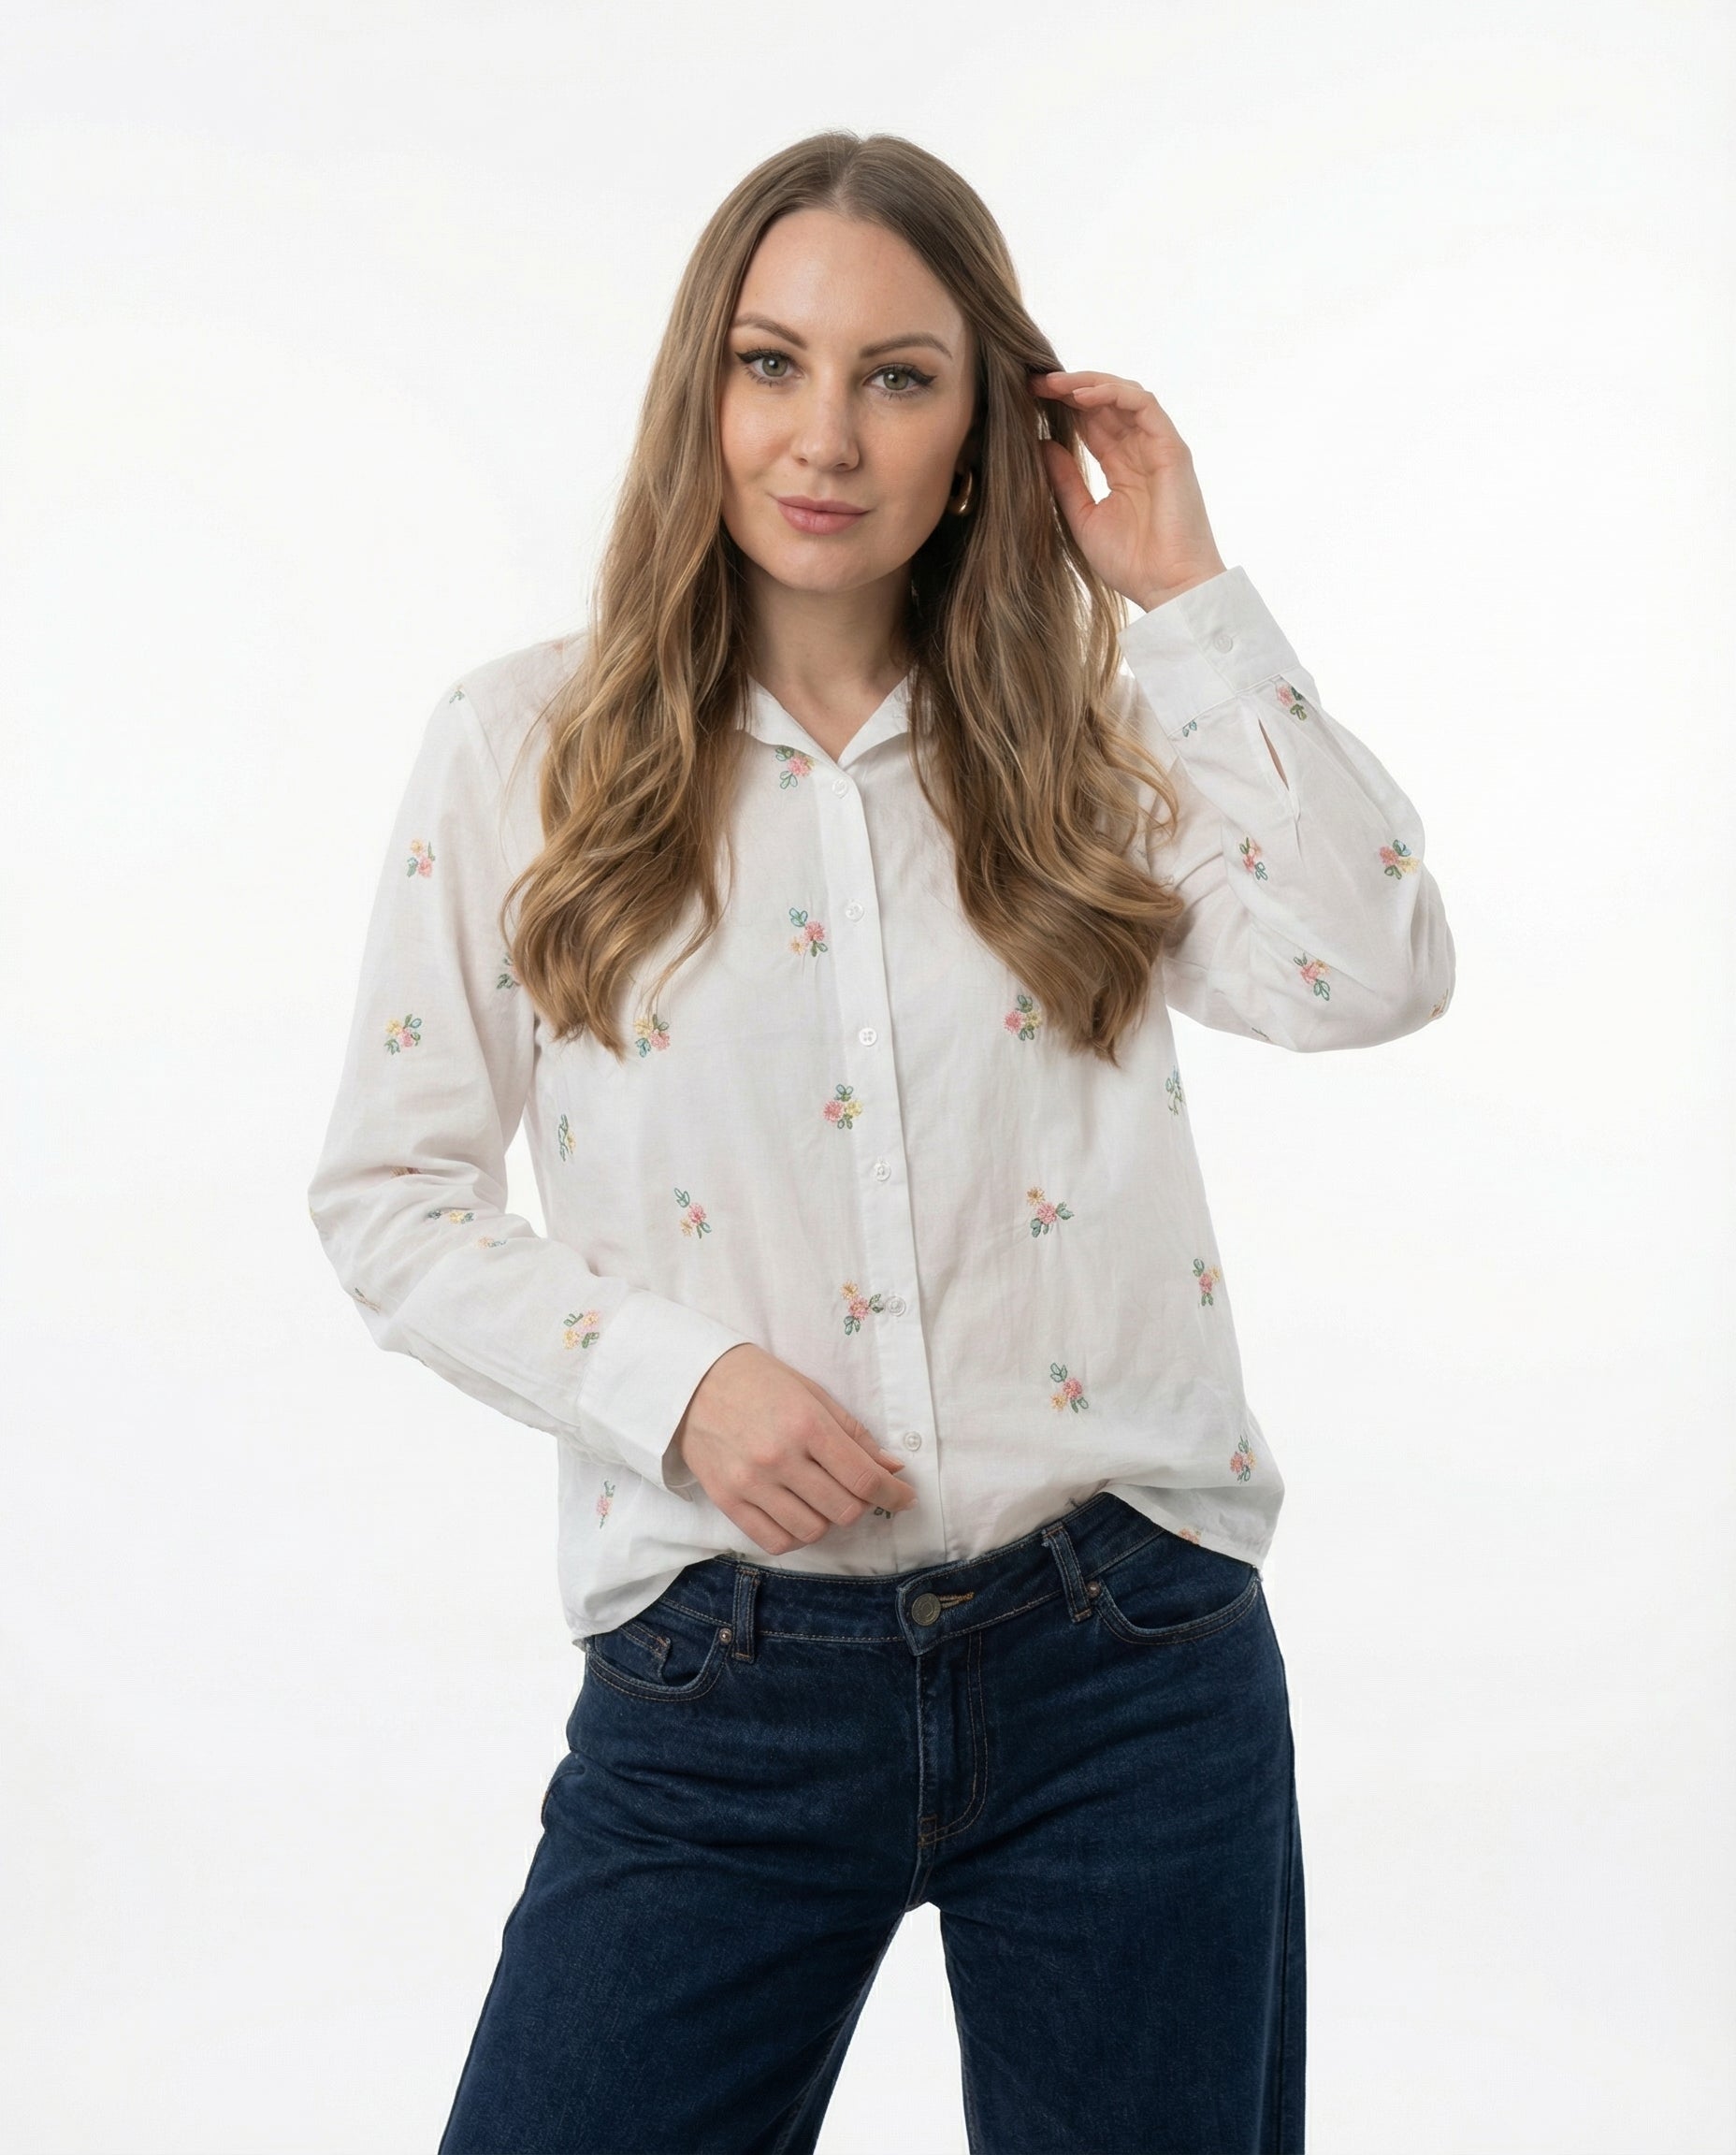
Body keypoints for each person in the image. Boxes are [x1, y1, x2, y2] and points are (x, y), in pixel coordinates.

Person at [307, 128, 1454, 2155]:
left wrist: (1187, 598)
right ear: (704, 389)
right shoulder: (523, 750)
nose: (822, 437)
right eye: (772, 364)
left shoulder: (1097, 743)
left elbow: (1374, 969)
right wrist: (677, 1387)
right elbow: (391, 1199)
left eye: (897, 377)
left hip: (1127, 1667)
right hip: (719, 1686)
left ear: (987, 426)